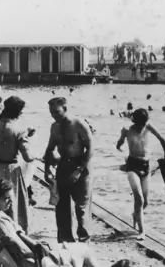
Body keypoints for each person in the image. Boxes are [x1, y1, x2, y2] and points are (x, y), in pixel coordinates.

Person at [0, 178, 114, 267]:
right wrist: (43, 253)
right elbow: (19, 247)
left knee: (80, 249)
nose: (10, 203)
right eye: (6, 199)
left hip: (26, 258)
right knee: (84, 251)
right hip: (35, 260)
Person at [0, 96, 38, 233]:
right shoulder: (19, 130)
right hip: (9, 171)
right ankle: (14, 234)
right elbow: (28, 157)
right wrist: (36, 154)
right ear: (18, 112)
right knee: (12, 204)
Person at [44, 97, 94, 243]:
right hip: (64, 166)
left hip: (81, 165)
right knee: (61, 206)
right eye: (52, 113)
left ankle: (84, 240)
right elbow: (49, 149)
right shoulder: (54, 127)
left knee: (81, 206)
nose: (54, 115)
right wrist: (47, 170)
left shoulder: (78, 124)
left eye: (57, 112)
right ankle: (65, 241)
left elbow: (91, 148)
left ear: (65, 109)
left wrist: (79, 170)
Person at [116, 108, 165, 240]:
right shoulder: (127, 130)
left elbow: (162, 139)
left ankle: (135, 215)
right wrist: (121, 147)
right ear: (134, 121)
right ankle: (141, 231)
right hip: (132, 166)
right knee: (139, 198)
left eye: (144, 124)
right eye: (140, 124)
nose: (142, 127)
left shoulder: (148, 126)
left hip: (146, 166)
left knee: (146, 203)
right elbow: (119, 144)